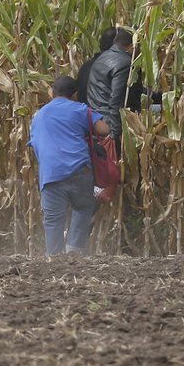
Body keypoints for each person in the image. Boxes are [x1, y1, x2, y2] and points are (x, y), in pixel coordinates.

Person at [29, 76, 111, 255]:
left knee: (52, 220)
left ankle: (55, 258)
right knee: (83, 208)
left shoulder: (38, 116)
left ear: (52, 92)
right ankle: (74, 253)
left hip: (50, 174)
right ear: (74, 95)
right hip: (79, 170)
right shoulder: (80, 109)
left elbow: (35, 143)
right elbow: (104, 130)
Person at [86, 28, 135, 149]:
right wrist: (115, 134)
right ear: (132, 46)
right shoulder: (125, 62)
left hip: (96, 121)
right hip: (109, 124)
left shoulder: (101, 58)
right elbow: (116, 99)